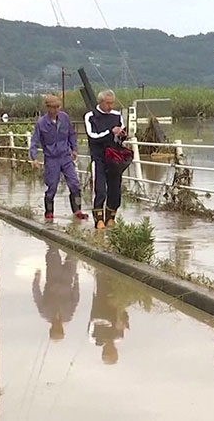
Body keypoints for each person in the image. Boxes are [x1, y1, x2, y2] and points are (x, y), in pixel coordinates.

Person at [30, 94, 87, 220]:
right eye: (53, 107)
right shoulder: (41, 123)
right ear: (47, 107)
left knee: (74, 183)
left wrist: (74, 149)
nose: (56, 109)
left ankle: (77, 210)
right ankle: (49, 211)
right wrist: (34, 158)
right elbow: (34, 141)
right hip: (51, 158)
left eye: (58, 106)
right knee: (52, 186)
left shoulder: (65, 118)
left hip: (65, 156)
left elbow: (71, 134)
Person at [85, 89, 125, 229]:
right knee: (100, 189)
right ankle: (99, 220)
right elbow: (92, 136)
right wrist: (110, 132)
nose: (110, 106)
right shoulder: (91, 116)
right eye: (108, 103)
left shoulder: (117, 115)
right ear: (100, 102)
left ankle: (111, 217)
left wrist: (122, 134)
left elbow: (122, 133)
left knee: (115, 190)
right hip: (99, 158)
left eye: (112, 103)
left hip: (114, 158)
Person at [33, 245, 80, 341]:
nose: (58, 327)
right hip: (68, 278)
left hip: (53, 275)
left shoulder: (45, 313)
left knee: (53, 249)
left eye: (56, 330)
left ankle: (55, 232)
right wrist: (76, 281)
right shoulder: (68, 315)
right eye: (59, 330)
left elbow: (37, 295)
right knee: (74, 252)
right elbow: (75, 299)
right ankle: (73, 234)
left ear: (51, 328)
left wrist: (36, 279)